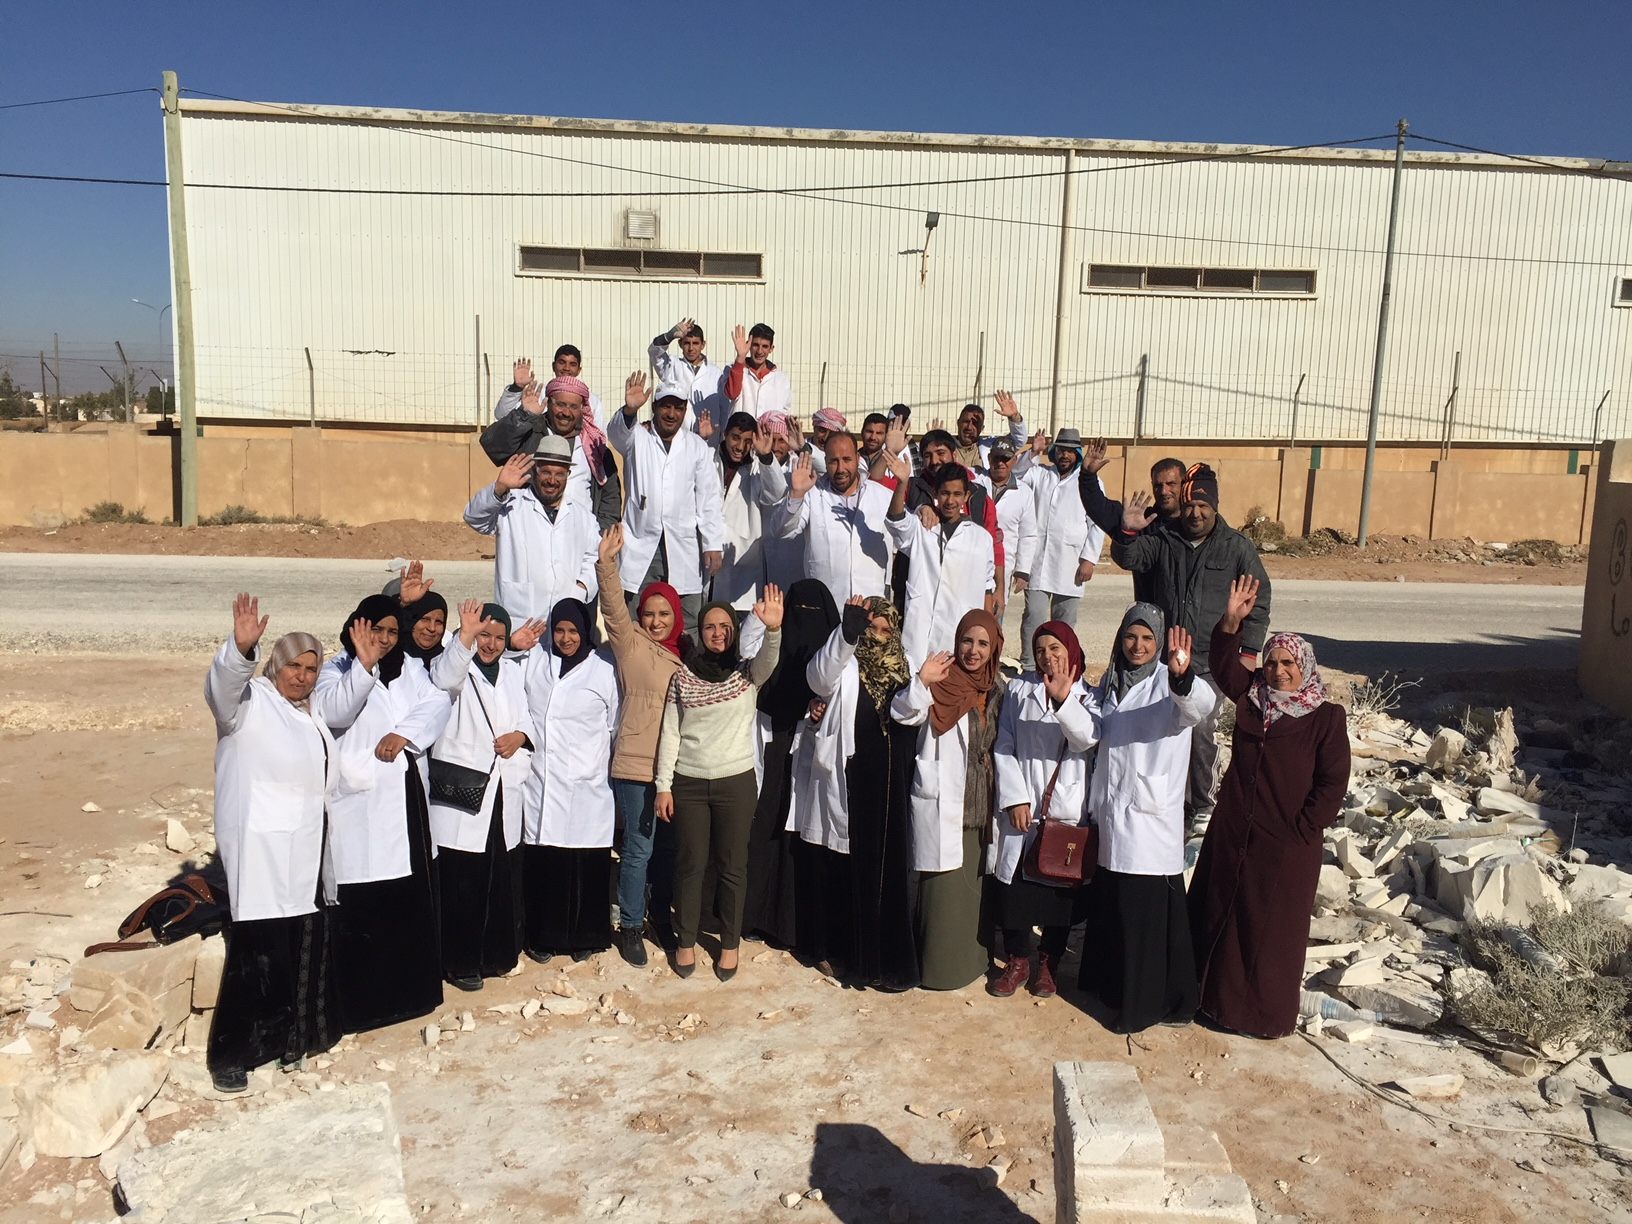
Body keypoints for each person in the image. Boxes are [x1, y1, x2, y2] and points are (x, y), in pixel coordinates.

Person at [1189, 577, 1350, 1038]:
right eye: (1273, 662)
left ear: (1305, 667)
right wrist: (1231, 623)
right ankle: (1210, 1003)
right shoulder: (1251, 697)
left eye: (1288, 664)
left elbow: (1333, 780)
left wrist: (1302, 828)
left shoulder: (1324, 717)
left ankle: (1260, 1018)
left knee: (1268, 932)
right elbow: (1223, 667)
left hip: (1286, 844)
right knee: (1222, 914)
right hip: (1235, 831)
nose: (1279, 671)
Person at [204, 595, 347, 1093]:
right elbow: (220, 690)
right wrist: (239, 649)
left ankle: (290, 1041)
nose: (303, 676)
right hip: (262, 851)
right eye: (294, 666)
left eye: (312, 668)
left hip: (304, 853)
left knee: (294, 952)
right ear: (275, 665)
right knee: (254, 958)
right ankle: (231, 1055)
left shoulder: (309, 714)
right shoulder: (248, 702)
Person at [315, 594, 451, 1034]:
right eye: (378, 630)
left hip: (404, 796)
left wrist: (404, 733)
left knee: (406, 895)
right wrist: (364, 665)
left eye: (393, 632)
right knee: (362, 902)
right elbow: (336, 711)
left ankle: (410, 997)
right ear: (358, 628)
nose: (387, 640)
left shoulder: (410, 669)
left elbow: (437, 703)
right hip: (358, 803)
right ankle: (363, 1006)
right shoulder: (334, 671)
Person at [1078, 606, 1215, 1032]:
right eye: (1130, 638)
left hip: (1149, 818)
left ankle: (1143, 1006)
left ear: (1159, 645)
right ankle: (1113, 991)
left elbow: (1199, 708)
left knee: (1145, 922)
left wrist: (1182, 676)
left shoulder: (1167, 684)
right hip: (1115, 812)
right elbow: (1093, 732)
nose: (1137, 647)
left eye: (1147, 640)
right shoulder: (1111, 682)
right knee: (1117, 911)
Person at [1112, 465, 1271, 826]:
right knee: (1160, 729)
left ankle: (1203, 804)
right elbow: (1130, 558)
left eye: (1203, 507)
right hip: (1167, 660)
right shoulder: (1166, 540)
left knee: (1200, 730)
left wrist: (1247, 652)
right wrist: (1128, 531)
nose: (1195, 514)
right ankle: (1163, 804)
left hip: (1211, 662)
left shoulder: (1237, 549)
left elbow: (1258, 603)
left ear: (1214, 506)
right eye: (1189, 508)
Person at [654, 589, 785, 980]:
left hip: (736, 783)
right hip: (689, 784)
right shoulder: (684, 676)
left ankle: (730, 945)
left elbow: (768, 661)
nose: (716, 633)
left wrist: (773, 629)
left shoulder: (746, 673)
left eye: (724, 627)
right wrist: (664, 785)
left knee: (732, 868)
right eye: (709, 626)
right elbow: (671, 732)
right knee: (690, 866)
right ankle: (687, 941)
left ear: (733, 631)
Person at [796, 595, 920, 989]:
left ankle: (884, 964)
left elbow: (911, 714)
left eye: (885, 630)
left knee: (884, 872)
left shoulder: (906, 664)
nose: (878, 636)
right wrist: (846, 634)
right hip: (849, 775)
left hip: (888, 781)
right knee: (845, 870)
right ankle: (846, 957)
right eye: (872, 628)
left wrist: (924, 685)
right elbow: (817, 679)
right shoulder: (843, 660)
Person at [890, 610, 1007, 991]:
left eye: (983, 644)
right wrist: (921, 683)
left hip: (982, 803)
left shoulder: (998, 688)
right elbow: (903, 715)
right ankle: (939, 970)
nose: (973, 651)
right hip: (944, 802)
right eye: (967, 641)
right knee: (942, 895)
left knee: (975, 891)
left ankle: (974, 961)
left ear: (994, 649)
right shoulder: (940, 680)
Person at [427, 599, 540, 991]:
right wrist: (464, 636)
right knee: (463, 880)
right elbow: (443, 679)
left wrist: (520, 736)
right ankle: (461, 963)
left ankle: (497, 955)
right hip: (463, 788)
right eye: (484, 635)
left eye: (498, 637)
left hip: (504, 789)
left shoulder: (510, 671)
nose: (490, 644)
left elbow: (525, 716)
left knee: (499, 875)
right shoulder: (457, 665)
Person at [988, 621, 1096, 1001]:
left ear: (1071, 650)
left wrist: (1065, 700)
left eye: (1056, 649)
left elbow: (1086, 740)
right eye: (1040, 650)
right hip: (1023, 808)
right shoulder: (1019, 690)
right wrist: (1014, 797)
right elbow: (1004, 744)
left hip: (1065, 808)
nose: (1048, 657)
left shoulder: (1089, 696)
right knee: (1016, 888)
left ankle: (1048, 963)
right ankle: (1018, 960)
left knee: (1059, 893)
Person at [595, 526, 683, 966]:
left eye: (664, 614)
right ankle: (630, 925)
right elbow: (613, 611)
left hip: (672, 771)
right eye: (649, 613)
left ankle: (659, 916)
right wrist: (607, 565)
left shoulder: (683, 655)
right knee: (638, 847)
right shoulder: (632, 647)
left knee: (665, 849)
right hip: (635, 765)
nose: (655, 621)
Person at [516, 597, 621, 963]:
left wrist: (595, 765)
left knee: (585, 865)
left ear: (586, 631)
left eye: (573, 630)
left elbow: (614, 726)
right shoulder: (536, 662)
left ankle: (586, 938)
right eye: (559, 630)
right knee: (545, 864)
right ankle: (542, 938)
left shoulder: (604, 670)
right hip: (542, 781)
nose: (565, 638)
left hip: (587, 784)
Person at [744, 579, 839, 948]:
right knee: (765, 827)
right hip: (774, 735)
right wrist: (764, 624)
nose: (806, 624)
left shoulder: (837, 663)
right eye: (799, 615)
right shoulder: (772, 648)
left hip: (814, 742)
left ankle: (793, 925)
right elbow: (748, 654)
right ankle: (753, 916)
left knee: (802, 834)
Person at [609, 373, 727, 635]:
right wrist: (629, 410)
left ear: (685, 410)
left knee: (688, 622)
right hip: (642, 545)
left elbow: (708, 498)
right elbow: (617, 434)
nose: (672, 414)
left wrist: (712, 543)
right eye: (666, 406)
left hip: (683, 545)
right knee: (638, 619)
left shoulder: (696, 446)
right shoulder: (638, 438)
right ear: (655, 407)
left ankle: (686, 674)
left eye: (678, 407)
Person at [464, 434, 600, 623]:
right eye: (546, 472)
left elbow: (594, 557)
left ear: (568, 474)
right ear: (535, 470)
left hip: (564, 620)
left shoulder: (582, 516)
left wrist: (581, 589)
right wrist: (499, 488)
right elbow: (474, 517)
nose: (552, 480)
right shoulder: (511, 505)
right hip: (519, 619)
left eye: (559, 474)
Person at [884, 451, 997, 670]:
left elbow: (987, 588)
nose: (950, 501)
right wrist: (902, 483)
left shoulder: (981, 538)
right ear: (935, 493)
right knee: (916, 691)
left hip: (959, 631)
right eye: (945, 493)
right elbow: (895, 521)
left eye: (957, 494)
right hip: (921, 631)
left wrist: (987, 633)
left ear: (966, 497)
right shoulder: (923, 526)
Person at [481, 369, 623, 529]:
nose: (566, 413)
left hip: (581, 535)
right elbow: (493, 446)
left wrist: (601, 533)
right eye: (560, 405)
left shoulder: (594, 446)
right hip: (532, 529)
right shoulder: (530, 433)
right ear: (549, 403)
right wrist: (524, 415)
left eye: (573, 407)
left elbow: (610, 495)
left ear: (582, 410)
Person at [769, 433, 895, 606]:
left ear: (858, 459)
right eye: (833, 461)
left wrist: (923, 509)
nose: (840, 468)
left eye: (847, 459)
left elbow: (906, 532)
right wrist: (796, 494)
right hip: (825, 607)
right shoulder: (812, 494)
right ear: (825, 461)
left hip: (871, 609)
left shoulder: (882, 496)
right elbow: (781, 531)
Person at [1016, 427, 1106, 652]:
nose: (1065, 455)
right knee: (1033, 616)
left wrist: (1089, 559)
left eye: (1070, 451)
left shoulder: (1089, 481)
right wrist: (1033, 452)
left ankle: (1062, 663)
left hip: (1071, 562)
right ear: (1054, 451)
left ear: (1078, 454)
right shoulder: (1040, 474)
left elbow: (1097, 523)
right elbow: (1015, 474)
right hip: (1037, 560)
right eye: (1061, 450)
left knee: (1064, 620)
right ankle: (1029, 664)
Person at [1078, 447, 1186, 603]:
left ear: (1184, 484)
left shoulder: (1196, 525)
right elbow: (1099, 509)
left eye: (1171, 484)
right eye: (1158, 485)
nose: (1164, 491)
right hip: (1148, 618)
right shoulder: (1139, 521)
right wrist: (1088, 476)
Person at [712, 413, 786, 611]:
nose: (740, 447)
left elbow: (776, 494)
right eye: (735, 437)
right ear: (725, 434)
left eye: (747, 441)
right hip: (707, 561)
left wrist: (765, 456)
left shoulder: (756, 468)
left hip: (743, 565)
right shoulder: (708, 461)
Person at [648, 317, 727, 438]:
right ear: (680, 344)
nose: (691, 348)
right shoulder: (671, 365)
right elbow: (654, 352)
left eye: (695, 343)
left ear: (703, 344)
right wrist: (670, 335)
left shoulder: (716, 373)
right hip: (676, 439)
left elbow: (724, 409)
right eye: (686, 343)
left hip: (708, 442)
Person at [987, 442, 1037, 621]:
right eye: (996, 458)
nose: (1000, 463)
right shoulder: (976, 483)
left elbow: (1028, 534)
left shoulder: (1024, 492)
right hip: (973, 562)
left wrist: (1022, 570)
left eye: (1005, 459)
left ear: (1014, 461)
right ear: (989, 459)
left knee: (994, 619)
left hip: (1003, 566)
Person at [724, 322, 793, 420]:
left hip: (768, 434)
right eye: (755, 345)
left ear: (771, 349)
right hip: (742, 433)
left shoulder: (781, 379)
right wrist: (740, 357)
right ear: (749, 345)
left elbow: (785, 413)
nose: (759, 351)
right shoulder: (734, 369)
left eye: (765, 346)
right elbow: (732, 394)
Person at [952, 390, 1027, 473]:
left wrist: (1014, 417)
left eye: (975, 423)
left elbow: (1019, 440)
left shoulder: (990, 445)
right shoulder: (946, 446)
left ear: (982, 428)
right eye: (966, 421)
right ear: (958, 423)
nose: (969, 427)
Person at [859, 412, 892, 480]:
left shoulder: (892, 462)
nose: (873, 437)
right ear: (862, 432)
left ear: (886, 436)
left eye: (879, 433)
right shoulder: (852, 459)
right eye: (869, 432)